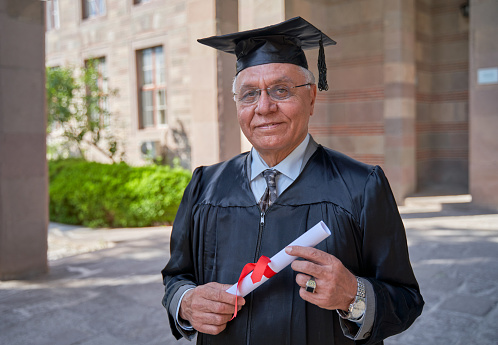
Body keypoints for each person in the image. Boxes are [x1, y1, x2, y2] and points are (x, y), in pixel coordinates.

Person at [161, 17, 424, 345]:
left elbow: (406, 299)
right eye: (248, 94)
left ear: (312, 97)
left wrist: (353, 296)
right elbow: (176, 277)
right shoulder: (205, 185)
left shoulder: (361, 186)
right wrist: (186, 302)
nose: (264, 107)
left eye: (280, 90)